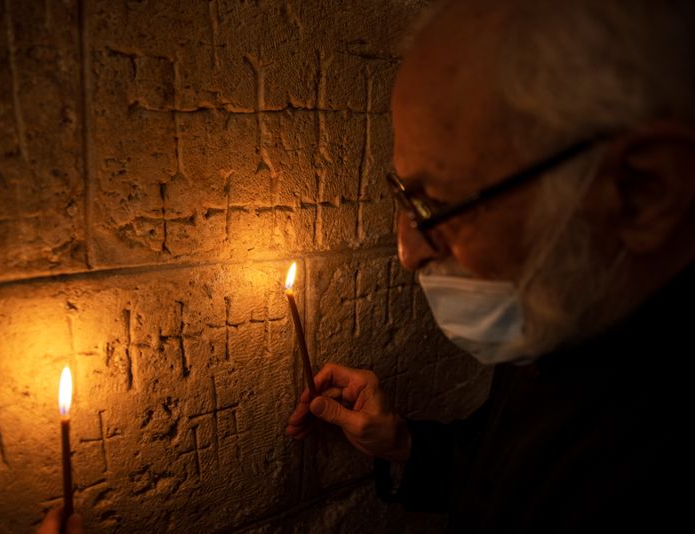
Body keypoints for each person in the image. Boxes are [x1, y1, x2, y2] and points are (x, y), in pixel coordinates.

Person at [287, 0, 694, 532]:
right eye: (405, 196)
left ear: (643, 190)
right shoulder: (566, 308)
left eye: (434, 206)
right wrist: (404, 443)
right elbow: (501, 470)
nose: (409, 253)